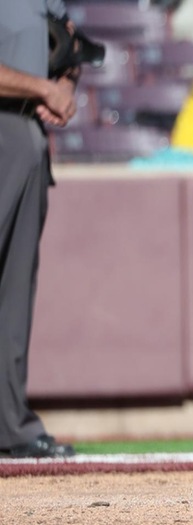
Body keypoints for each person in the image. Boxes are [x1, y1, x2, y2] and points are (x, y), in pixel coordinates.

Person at [0, 0, 79, 458]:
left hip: (28, 135)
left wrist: (64, 82)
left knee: (13, 296)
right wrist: (41, 87)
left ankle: (11, 427)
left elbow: (70, 42)